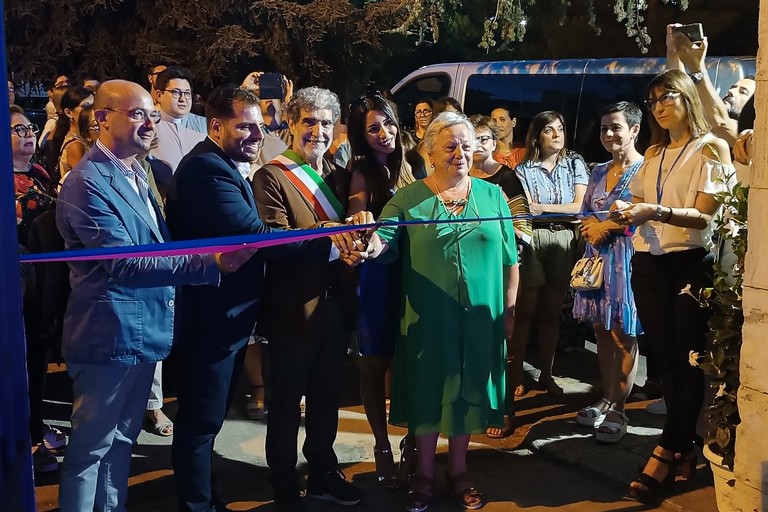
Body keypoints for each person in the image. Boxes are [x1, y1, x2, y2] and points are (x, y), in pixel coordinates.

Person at [54, 79, 255, 512]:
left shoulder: (137, 174)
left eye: (153, 115)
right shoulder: (87, 182)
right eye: (138, 114)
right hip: (107, 335)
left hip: (143, 332)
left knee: (122, 441)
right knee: (91, 449)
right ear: (103, 119)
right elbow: (124, 263)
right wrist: (211, 263)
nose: (150, 123)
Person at [362, 111, 519, 511]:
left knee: (468, 392)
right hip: (428, 321)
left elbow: (509, 260)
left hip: (482, 318)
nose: (460, 154)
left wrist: (509, 311)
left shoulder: (493, 196)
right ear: (429, 151)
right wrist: (367, 240)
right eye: (450, 146)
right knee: (429, 391)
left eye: (467, 146)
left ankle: (460, 470)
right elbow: (381, 243)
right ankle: (425, 474)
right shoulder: (408, 199)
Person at [613, 69, 732, 504]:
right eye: (653, 101)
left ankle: (669, 447)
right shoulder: (653, 152)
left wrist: (653, 210)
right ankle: (683, 446)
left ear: (687, 99)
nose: (660, 107)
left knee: (687, 358)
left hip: (689, 265)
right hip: (649, 263)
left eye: (667, 97)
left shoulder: (711, 147)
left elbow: (705, 216)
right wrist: (620, 213)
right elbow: (638, 203)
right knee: (663, 360)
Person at [251, 86, 365, 511]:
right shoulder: (271, 176)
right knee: (285, 403)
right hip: (291, 311)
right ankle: (283, 483)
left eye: (324, 123)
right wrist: (339, 245)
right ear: (291, 127)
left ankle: (322, 472)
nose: (317, 131)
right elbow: (275, 242)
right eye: (308, 122)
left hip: (335, 306)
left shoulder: (338, 175)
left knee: (326, 397)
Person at [346, 92, 415, 488]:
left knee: (412, 362)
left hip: (418, 274)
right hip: (378, 279)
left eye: (387, 123)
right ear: (361, 135)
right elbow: (358, 212)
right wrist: (363, 216)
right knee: (374, 362)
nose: (383, 133)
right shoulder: (361, 172)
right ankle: (380, 445)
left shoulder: (419, 163)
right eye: (373, 128)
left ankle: (413, 443)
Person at [572, 102, 644, 444]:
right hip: (597, 260)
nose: (609, 134)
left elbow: (646, 218)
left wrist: (609, 228)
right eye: (604, 129)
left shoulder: (645, 169)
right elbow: (585, 211)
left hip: (625, 259)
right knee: (600, 330)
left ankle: (620, 408)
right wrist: (591, 227)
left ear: (634, 130)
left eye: (616, 127)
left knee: (622, 333)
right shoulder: (597, 170)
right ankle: (606, 396)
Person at [508, 110, 589, 397]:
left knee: (552, 313)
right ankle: (515, 374)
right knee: (524, 311)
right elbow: (526, 208)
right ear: (537, 135)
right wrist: (552, 209)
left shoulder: (575, 163)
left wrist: (545, 208)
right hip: (533, 238)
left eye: (560, 129)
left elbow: (580, 206)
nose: (556, 135)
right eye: (549, 130)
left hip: (564, 238)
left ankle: (547, 374)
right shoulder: (523, 169)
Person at [468, 114, 530, 439]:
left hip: (499, 268)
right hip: (468, 270)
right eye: (472, 138)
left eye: (483, 139)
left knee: (501, 342)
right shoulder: (459, 176)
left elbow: (522, 222)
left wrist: (506, 250)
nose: (477, 145)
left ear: (495, 143)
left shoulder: (506, 178)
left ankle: (504, 409)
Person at [10, 105, 63, 472]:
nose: (28, 134)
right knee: (18, 360)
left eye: (29, 128)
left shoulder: (41, 173)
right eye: (16, 130)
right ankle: (24, 439)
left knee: (40, 358)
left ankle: (35, 425)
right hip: (15, 286)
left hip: (46, 283)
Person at [666, 23, 755, 146]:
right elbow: (678, 91)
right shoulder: (705, 121)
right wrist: (674, 51)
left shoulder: (745, 138)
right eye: (733, 87)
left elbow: (720, 123)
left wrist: (697, 68)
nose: (731, 92)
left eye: (743, 92)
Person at [151, 66, 207, 178]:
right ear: (159, 95)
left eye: (187, 93)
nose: (183, 99)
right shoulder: (148, 126)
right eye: (176, 92)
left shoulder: (205, 125)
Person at [49, 86, 94, 184]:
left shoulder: (84, 139)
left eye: (93, 106)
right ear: (68, 112)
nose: (91, 111)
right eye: (85, 106)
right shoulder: (76, 145)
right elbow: (87, 182)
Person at [490, 105, 526, 170]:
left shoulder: (524, 153)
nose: (497, 124)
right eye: (494, 121)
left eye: (502, 120)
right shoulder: (489, 153)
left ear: (513, 122)